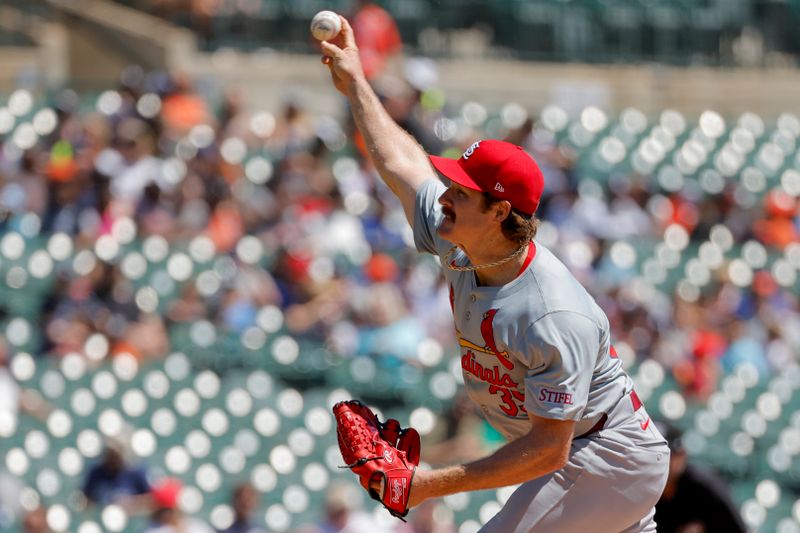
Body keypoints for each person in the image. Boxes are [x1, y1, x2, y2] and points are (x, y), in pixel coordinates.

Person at [319, 18, 670, 532]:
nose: (446, 196)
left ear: (500, 212)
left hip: (603, 456)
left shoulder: (552, 311)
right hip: (582, 451)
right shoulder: (460, 240)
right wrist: (357, 85)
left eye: (461, 192)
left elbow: (551, 449)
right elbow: (402, 162)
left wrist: (428, 483)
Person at [654, 421, 747, 533]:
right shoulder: (642, 490)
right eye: (653, 457)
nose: (658, 462)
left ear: (681, 454)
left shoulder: (705, 486)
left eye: (666, 456)